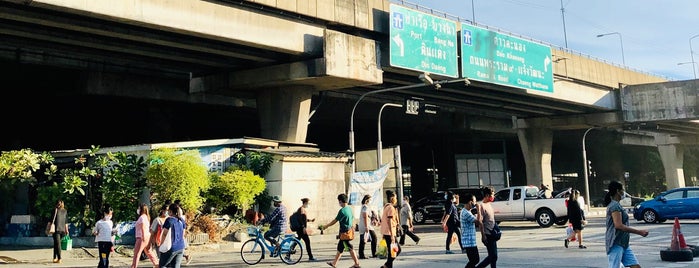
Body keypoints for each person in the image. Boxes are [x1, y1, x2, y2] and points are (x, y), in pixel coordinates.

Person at [605, 181, 649, 268]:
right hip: (616, 242)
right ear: (618, 191)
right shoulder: (614, 206)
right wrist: (639, 232)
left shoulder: (617, 205)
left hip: (623, 243)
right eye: (622, 190)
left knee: (636, 266)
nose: (623, 192)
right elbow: (618, 225)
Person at [319, 193, 360, 268]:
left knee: (350, 247)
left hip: (345, 232)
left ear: (340, 201)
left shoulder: (342, 211)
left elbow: (335, 221)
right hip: (348, 230)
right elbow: (352, 219)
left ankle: (356, 263)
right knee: (340, 248)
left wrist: (326, 226)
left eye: (339, 201)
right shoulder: (349, 209)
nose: (339, 203)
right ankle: (334, 263)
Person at [159, 203, 187, 268]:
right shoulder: (181, 220)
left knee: (163, 265)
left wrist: (161, 245)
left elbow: (164, 234)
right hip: (181, 247)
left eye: (168, 211)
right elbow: (183, 234)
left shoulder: (169, 220)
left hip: (171, 247)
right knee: (176, 266)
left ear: (170, 211)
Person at [476, 186, 497, 268]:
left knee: (494, 257)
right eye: (492, 194)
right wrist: (483, 235)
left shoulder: (489, 204)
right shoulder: (481, 206)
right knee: (492, 256)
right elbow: (480, 222)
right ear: (487, 195)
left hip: (493, 232)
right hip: (488, 234)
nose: (493, 196)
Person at [132, 203, 158, 268]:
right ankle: (157, 264)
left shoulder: (141, 217)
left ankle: (134, 266)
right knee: (149, 252)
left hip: (141, 237)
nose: (138, 210)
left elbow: (143, 227)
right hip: (147, 236)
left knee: (137, 254)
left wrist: (143, 237)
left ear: (141, 209)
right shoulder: (147, 217)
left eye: (139, 208)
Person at [380, 190, 401, 268]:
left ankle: (388, 266)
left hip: (386, 232)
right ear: (392, 198)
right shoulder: (391, 208)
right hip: (390, 233)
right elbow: (389, 222)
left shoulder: (386, 207)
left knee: (392, 251)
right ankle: (386, 265)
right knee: (396, 250)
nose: (396, 199)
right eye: (395, 197)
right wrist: (392, 235)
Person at [460, 193, 481, 268]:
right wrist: (478, 210)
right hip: (468, 241)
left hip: (470, 241)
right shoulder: (466, 213)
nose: (475, 203)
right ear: (470, 202)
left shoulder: (467, 211)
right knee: (475, 260)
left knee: (474, 260)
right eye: (474, 201)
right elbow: (478, 222)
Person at [358, 194, 377, 259]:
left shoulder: (366, 206)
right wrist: (366, 227)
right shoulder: (365, 207)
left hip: (367, 225)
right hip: (365, 225)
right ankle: (362, 254)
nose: (371, 201)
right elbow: (365, 216)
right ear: (367, 200)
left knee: (370, 238)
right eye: (370, 200)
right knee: (364, 239)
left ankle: (372, 253)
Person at [50, 200, 69, 264]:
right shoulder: (55, 210)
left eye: (59, 204)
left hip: (62, 230)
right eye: (58, 204)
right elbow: (51, 220)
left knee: (57, 244)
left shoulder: (64, 211)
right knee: (57, 244)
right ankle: (59, 258)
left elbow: (66, 221)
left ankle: (55, 258)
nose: (59, 205)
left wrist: (67, 230)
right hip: (56, 230)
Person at [174, 200, 192, 264]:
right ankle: (186, 256)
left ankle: (186, 256)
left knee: (179, 248)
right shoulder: (181, 210)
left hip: (179, 228)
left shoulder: (178, 210)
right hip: (180, 228)